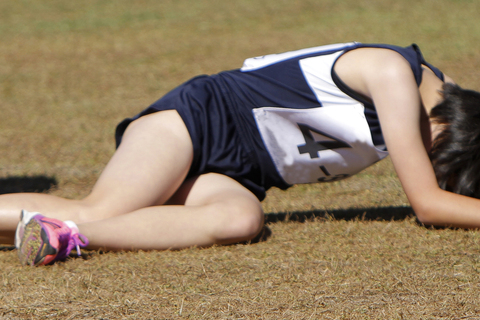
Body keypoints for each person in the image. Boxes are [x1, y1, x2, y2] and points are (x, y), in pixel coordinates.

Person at [2, 42, 480, 266]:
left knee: (240, 220)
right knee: (102, 205)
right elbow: (428, 204)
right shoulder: (394, 73)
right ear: (455, 134)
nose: (430, 167)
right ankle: (78, 222)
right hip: (199, 121)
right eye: (444, 164)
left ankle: (65, 237)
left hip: (241, 171)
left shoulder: (447, 103)